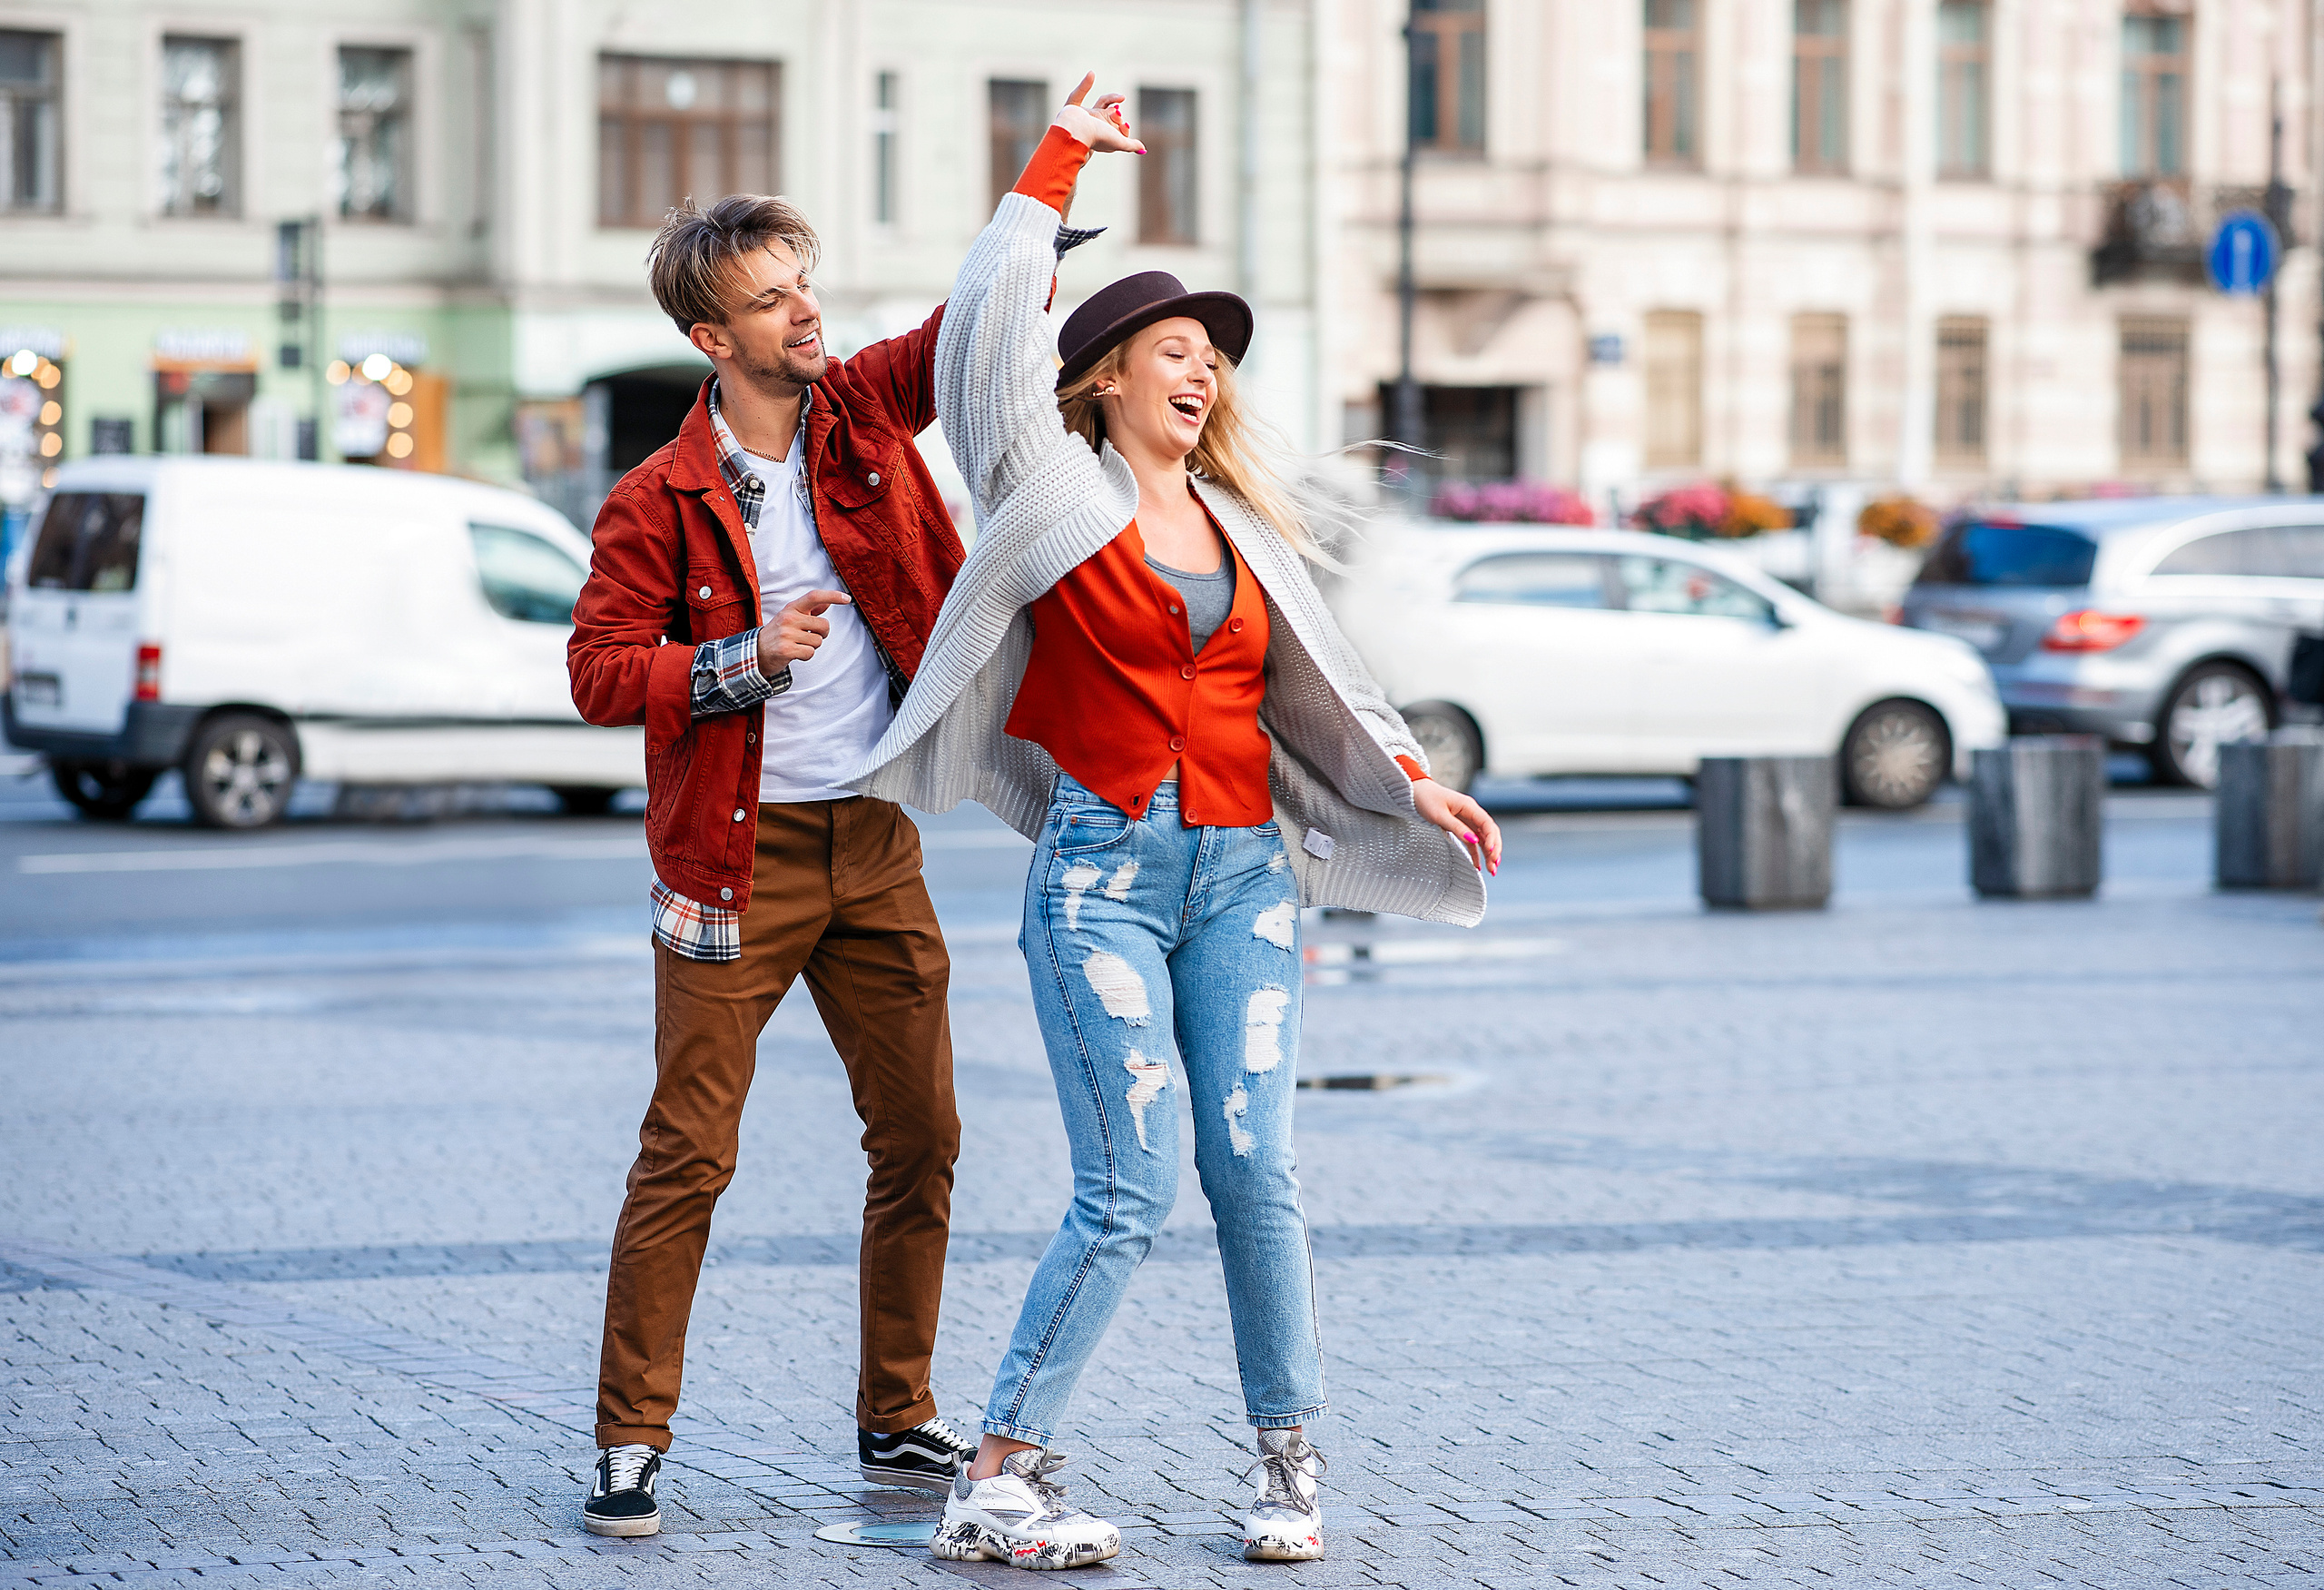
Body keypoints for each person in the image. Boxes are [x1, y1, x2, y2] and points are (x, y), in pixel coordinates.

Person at [845, 78, 1503, 1571]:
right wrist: (1057, 163)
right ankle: (998, 1476)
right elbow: (976, 345)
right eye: (1172, 353)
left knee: (1255, 1170)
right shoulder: (1048, 495)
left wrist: (1415, 784)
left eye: (1211, 359)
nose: (1201, 376)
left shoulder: (1247, 531)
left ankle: (1288, 1468)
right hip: (1103, 882)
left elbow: (1324, 684)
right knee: (1129, 1183)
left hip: (1245, 884)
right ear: (1104, 380)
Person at [565, 190, 979, 1536]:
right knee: (687, 1153)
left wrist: (1052, 176)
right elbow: (596, 672)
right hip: (731, 865)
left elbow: (959, 334)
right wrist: (741, 664)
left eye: (806, 285)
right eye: (769, 299)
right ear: (710, 335)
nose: (806, 312)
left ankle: (898, 1413)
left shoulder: (860, 416)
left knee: (922, 1138)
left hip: (874, 842)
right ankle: (630, 1439)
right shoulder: (657, 500)